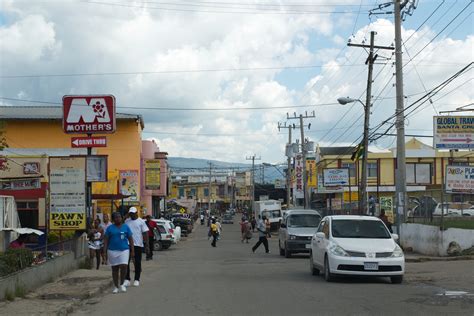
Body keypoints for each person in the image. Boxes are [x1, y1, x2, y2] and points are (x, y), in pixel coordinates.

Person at [104, 212, 134, 294]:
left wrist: (132, 250)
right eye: (116, 217)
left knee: (124, 266)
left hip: (124, 250)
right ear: (113, 219)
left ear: (122, 218)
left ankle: (122, 284)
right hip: (112, 250)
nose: (118, 219)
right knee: (115, 269)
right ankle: (116, 286)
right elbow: (106, 240)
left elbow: (130, 239)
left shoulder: (126, 227)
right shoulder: (110, 228)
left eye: (119, 217)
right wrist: (104, 252)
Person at [124, 207, 149, 287]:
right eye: (130, 213)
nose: (131, 215)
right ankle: (127, 279)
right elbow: (119, 223)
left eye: (133, 213)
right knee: (125, 262)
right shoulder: (127, 221)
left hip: (138, 244)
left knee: (137, 262)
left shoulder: (141, 221)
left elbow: (145, 234)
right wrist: (125, 216)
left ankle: (137, 279)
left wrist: (147, 245)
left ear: (136, 213)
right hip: (127, 244)